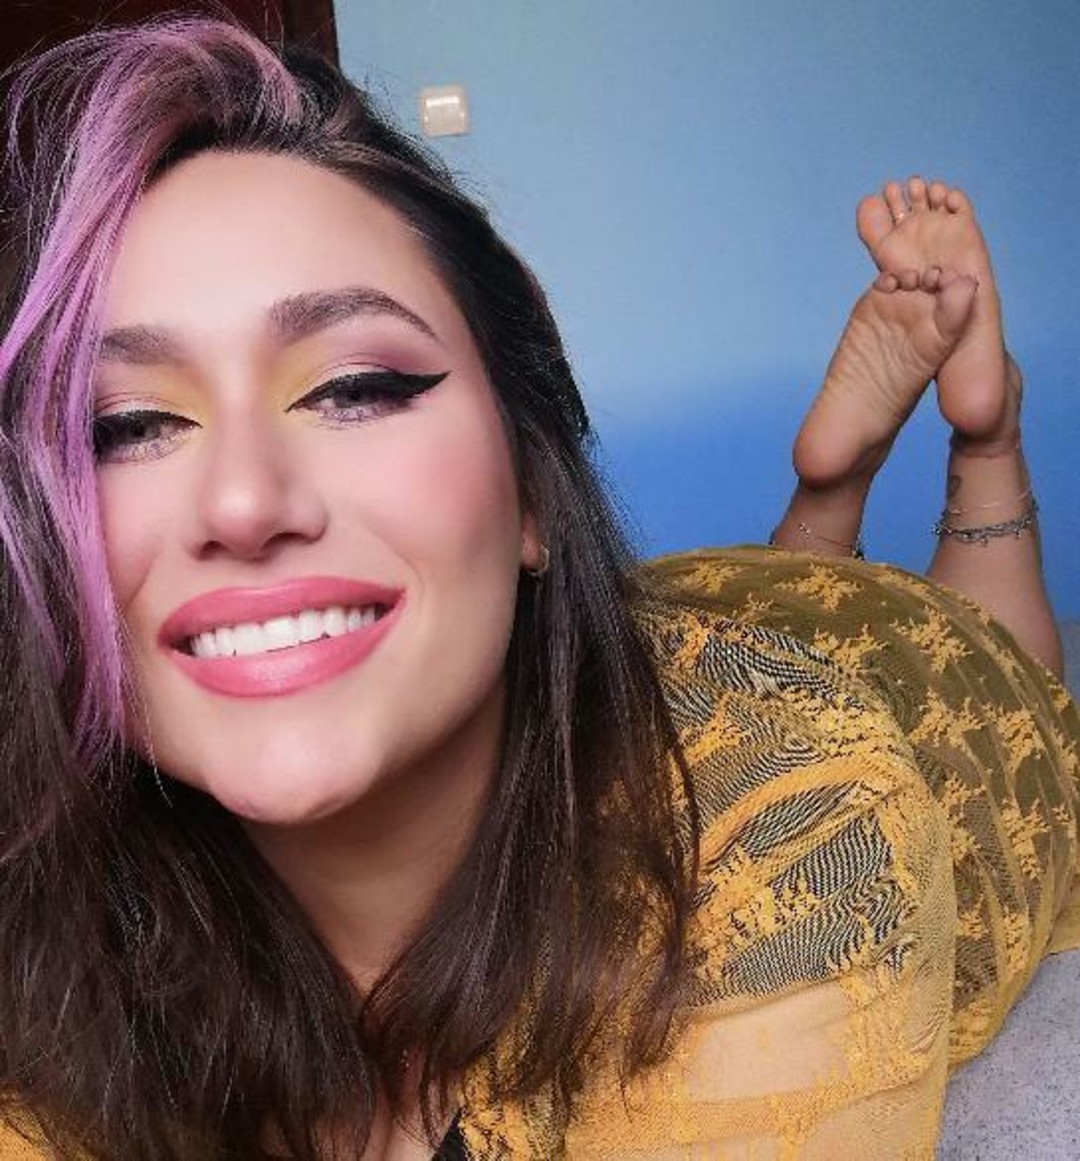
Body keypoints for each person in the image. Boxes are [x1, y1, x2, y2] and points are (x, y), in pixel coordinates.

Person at [0, 16, 1074, 1160]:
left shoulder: (804, 834)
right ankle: (830, 490)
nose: (243, 501)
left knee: (979, 653)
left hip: (876, 673)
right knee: (756, 601)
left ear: (531, 488)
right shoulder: (40, 906)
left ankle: (983, 433)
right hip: (675, 619)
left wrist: (986, 450)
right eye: (123, 425)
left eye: (354, 387)